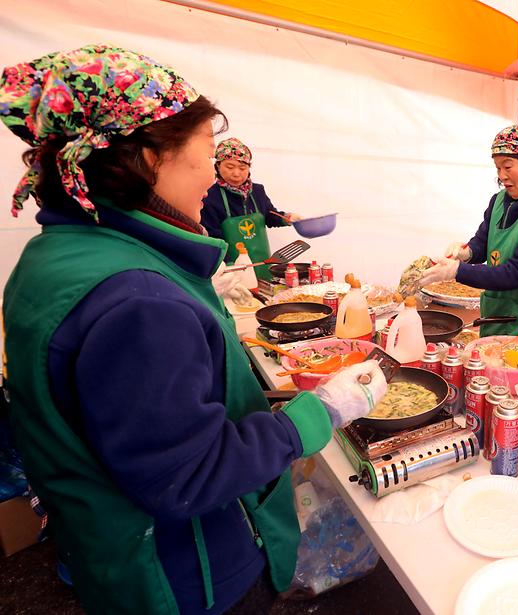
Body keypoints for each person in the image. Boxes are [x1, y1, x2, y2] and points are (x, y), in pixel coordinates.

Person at [0, 45, 386, 615]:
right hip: (192, 577)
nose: (213, 169)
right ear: (151, 157)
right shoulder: (136, 300)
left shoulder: (61, 251)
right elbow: (189, 474)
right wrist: (318, 413)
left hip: (119, 554)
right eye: (208, 150)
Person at [420, 124, 518, 373]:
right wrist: (467, 252)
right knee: (492, 375)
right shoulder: (499, 201)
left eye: (508, 166)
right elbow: (483, 242)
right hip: (500, 309)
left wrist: (457, 271)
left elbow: (516, 273)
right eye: (497, 168)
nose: (502, 175)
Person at [200, 137, 300, 280]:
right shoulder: (210, 196)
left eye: (242, 168)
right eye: (229, 167)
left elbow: (270, 215)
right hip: (231, 269)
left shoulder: (257, 191)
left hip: (262, 263)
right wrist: (226, 265)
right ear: (218, 166)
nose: (236, 173)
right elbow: (212, 237)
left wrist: (287, 218)